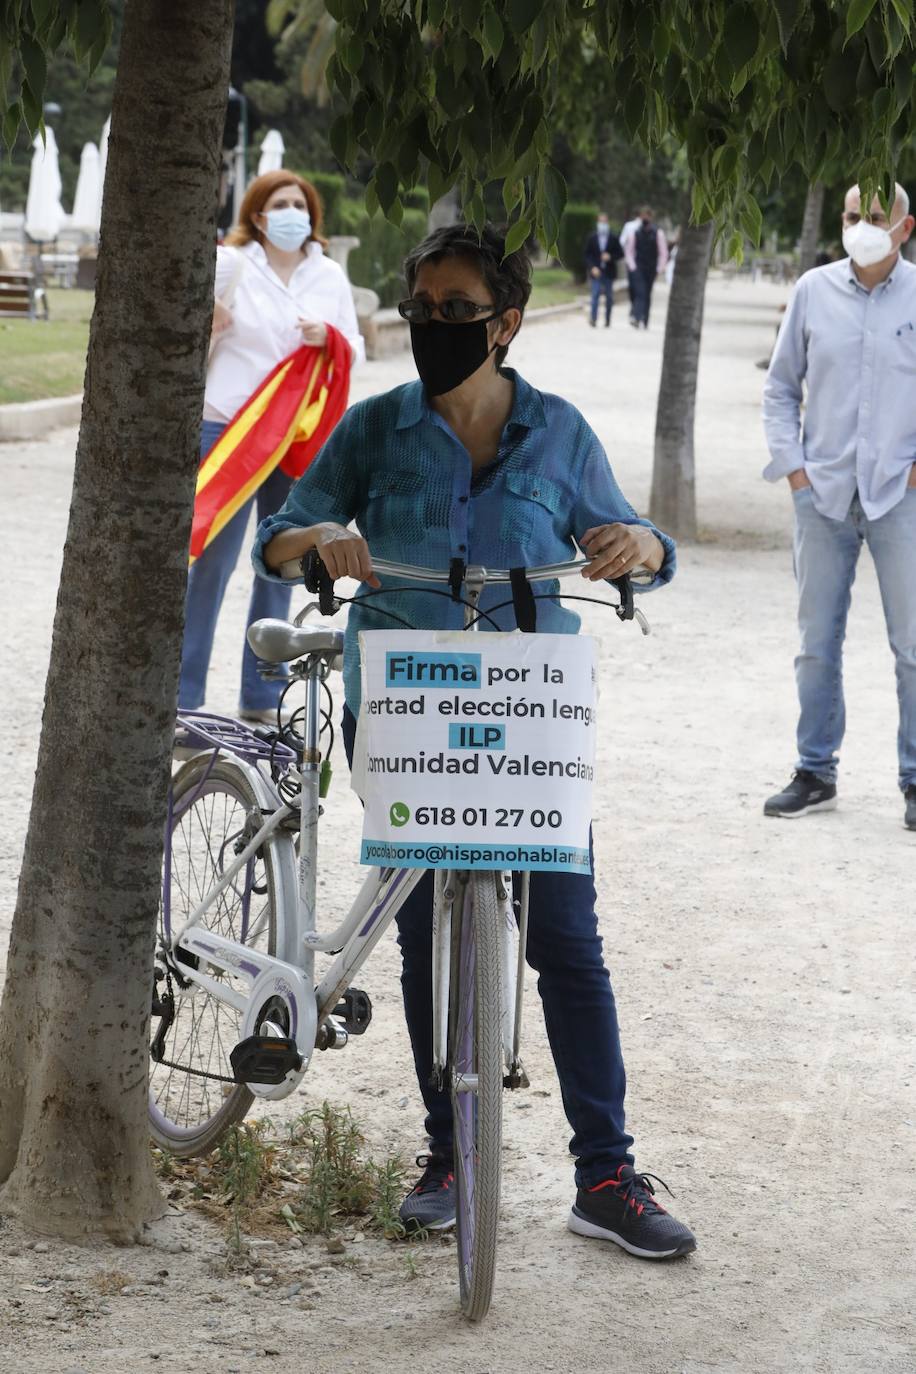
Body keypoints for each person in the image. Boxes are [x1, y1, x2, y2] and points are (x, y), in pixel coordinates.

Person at [253, 223, 697, 1259]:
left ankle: (605, 1176)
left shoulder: (560, 432)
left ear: (504, 323)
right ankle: (448, 1152)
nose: (432, 328)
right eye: (420, 310)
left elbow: (641, 546)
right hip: (405, 709)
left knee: (565, 941)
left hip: (530, 716)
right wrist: (318, 541)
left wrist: (639, 545)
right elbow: (285, 534)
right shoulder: (372, 430)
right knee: (423, 932)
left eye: (455, 312)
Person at [178, 170, 365, 724]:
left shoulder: (328, 274)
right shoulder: (232, 264)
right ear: (258, 215)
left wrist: (326, 339)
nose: (294, 214)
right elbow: (189, 328)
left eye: (301, 205)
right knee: (211, 561)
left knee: (279, 561)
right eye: (281, 205)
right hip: (230, 426)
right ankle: (183, 693)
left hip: (296, 438)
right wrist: (211, 322)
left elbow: (353, 341)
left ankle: (261, 691)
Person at [761, 181, 916, 831]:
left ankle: (914, 778)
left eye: (877, 217)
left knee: (912, 646)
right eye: (855, 215)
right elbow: (779, 389)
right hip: (821, 497)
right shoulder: (813, 290)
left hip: (898, 499)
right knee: (816, 644)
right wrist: (795, 473)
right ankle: (815, 770)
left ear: (905, 228)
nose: (864, 226)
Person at [624, 206, 668, 329]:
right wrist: (633, 266)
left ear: (650, 217)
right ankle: (637, 317)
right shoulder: (635, 233)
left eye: (646, 216)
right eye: (642, 216)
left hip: (652, 268)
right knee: (640, 291)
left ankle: (645, 319)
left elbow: (663, 253)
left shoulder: (658, 233)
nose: (644, 218)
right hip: (638, 267)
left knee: (647, 293)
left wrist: (659, 268)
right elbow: (629, 251)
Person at [583, 211, 623, 327]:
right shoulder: (592, 237)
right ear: (598, 222)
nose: (603, 224)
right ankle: (593, 319)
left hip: (609, 272)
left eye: (605, 221)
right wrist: (592, 267)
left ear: (607, 222)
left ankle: (607, 320)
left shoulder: (613, 237)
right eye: (601, 221)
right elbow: (587, 255)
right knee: (595, 295)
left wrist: (610, 257)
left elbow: (620, 253)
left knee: (609, 298)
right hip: (596, 272)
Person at [618, 209, 642, 324]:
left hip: (637, 262)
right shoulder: (630, 226)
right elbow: (622, 241)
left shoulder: (647, 227)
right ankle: (634, 309)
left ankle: (636, 311)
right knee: (634, 287)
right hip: (633, 261)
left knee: (637, 287)